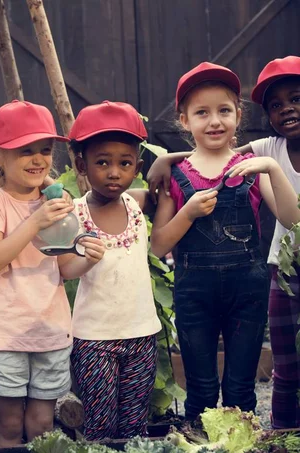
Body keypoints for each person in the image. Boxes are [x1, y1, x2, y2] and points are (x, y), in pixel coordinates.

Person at [146, 56, 300, 428]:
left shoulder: (252, 165)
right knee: (200, 386)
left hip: (246, 291)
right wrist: (188, 214)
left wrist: (273, 169)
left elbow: (292, 221)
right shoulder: (178, 175)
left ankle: (241, 442)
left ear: (238, 115)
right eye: (202, 113)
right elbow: (157, 245)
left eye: (224, 111)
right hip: (194, 293)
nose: (214, 121)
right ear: (184, 120)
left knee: (240, 387)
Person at [0, 100, 104, 446]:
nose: (38, 160)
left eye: (45, 150)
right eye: (26, 151)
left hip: (51, 328)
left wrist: (88, 260)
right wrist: (36, 219)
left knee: (42, 424)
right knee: (8, 424)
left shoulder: (57, 202)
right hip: (7, 333)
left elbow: (62, 267)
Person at [68, 101, 161, 440]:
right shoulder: (75, 213)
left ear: (136, 166)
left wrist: (163, 159)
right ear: (82, 165)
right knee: (100, 424)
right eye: (102, 162)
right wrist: (87, 259)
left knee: (135, 425)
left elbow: (159, 183)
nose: (113, 172)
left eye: (124, 163)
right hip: (94, 339)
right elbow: (65, 269)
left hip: (142, 333)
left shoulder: (135, 206)